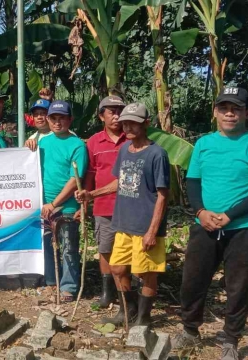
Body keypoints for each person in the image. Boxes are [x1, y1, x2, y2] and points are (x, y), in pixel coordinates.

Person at [172, 87, 248, 360]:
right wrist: (201, 211)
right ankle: (190, 331)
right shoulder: (205, 144)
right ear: (216, 112)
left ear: (246, 113)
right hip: (204, 224)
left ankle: (230, 339)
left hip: (243, 228)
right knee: (193, 281)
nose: (230, 113)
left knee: (238, 286)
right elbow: (193, 181)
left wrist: (230, 215)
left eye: (236, 109)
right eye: (224, 108)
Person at [100, 103, 169, 328]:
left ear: (146, 124)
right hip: (124, 223)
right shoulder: (125, 150)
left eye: (133, 123)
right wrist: (92, 194)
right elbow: (119, 182)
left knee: (145, 272)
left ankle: (144, 318)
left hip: (145, 225)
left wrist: (152, 231)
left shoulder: (157, 154)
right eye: (125, 123)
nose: (127, 127)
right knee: (118, 268)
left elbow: (162, 195)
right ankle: (126, 310)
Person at [31, 100, 88, 303]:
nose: (57, 122)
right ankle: (50, 281)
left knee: (68, 246)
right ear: (48, 119)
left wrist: (54, 204)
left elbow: (75, 179)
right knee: (46, 244)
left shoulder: (78, 145)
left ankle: (69, 287)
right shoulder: (43, 143)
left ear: (70, 120)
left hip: (66, 206)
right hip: (43, 204)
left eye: (62, 118)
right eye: (53, 118)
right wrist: (29, 147)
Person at [75, 95, 127, 309]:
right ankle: (108, 292)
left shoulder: (132, 137)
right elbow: (90, 173)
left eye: (119, 111)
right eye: (111, 112)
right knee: (105, 248)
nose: (116, 116)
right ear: (101, 116)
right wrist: (85, 203)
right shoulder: (94, 141)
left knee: (128, 249)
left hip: (130, 206)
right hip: (103, 204)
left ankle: (126, 292)